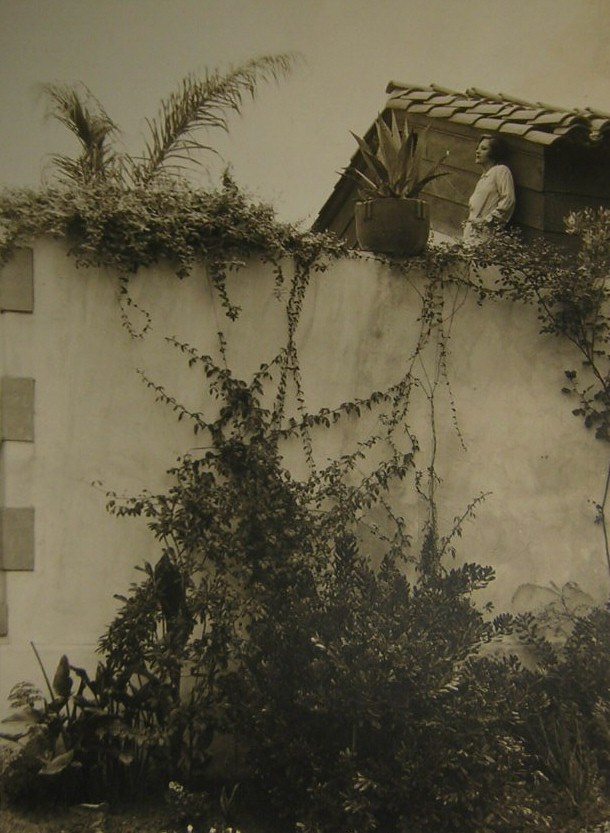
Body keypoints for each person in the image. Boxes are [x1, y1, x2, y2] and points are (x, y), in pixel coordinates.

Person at [463, 134, 515, 244]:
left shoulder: (501, 171)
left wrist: (487, 221)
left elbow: (508, 200)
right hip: (471, 233)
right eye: (477, 148)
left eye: (484, 149)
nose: (477, 151)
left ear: (494, 153)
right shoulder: (484, 177)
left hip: (486, 234)